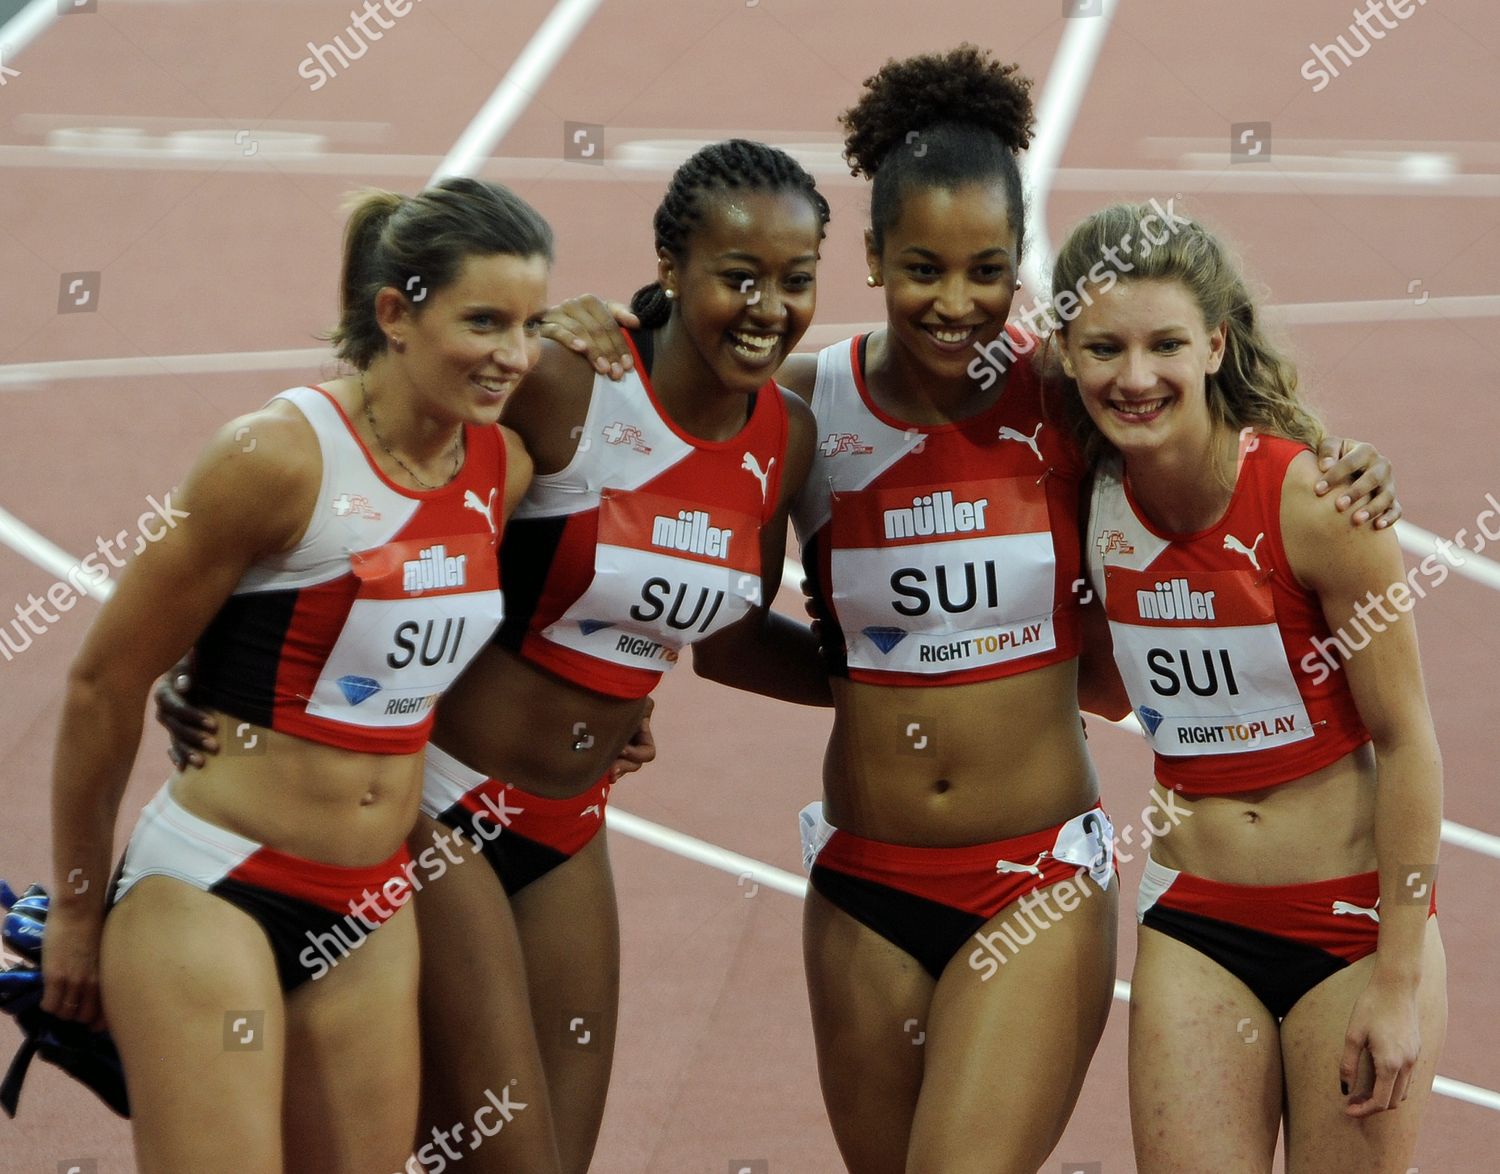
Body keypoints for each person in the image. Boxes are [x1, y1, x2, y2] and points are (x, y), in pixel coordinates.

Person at [541, 46, 1402, 1173]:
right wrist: (588, 328)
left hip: (1034, 879)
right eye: (922, 269)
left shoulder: (1067, 392)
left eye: (988, 269)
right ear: (870, 259)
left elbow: (1213, 434)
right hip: (862, 882)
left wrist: (1346, 465)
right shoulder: (805, 410)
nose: (956, 303)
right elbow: (721, 620)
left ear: (1019, 265)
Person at [160, 139, 834, 1173]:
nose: (767, 306)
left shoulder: (780, 435)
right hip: (442, 802)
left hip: (571, 824)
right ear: (669, 265)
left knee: (547, 1155)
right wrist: (211, 646)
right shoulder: (570, 379)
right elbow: (377, 481)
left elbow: (733, 642)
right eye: (737, 276)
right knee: (505, 1157)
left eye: (795, 280)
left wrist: (915, 678)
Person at [44, 176, 549, 1173]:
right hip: (214, 889)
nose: (515, 355)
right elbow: (103, 683)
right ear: (395, 313)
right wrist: (73, 904)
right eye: (484, 320)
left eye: (531, 323)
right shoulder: (278, 457)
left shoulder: (504, 470)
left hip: (369, 906)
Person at [1054, 203, 1446, 1173]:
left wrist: (1400, 978)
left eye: (1166, 345)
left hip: (1350, 926)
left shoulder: (1318, 502)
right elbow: (1109, 689)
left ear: (1217, 344)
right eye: (1103, 346)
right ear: (1065, 353)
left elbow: (1406, 742)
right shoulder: (1085, 497)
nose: (1134, 376)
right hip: (1196, 919)